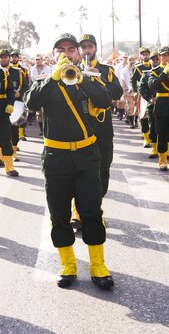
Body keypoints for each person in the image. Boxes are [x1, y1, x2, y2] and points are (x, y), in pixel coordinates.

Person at [25, 33, 114, 290]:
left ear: (78, 53)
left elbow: (105, 100)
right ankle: (68, 264)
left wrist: (83, 78)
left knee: (91, 212)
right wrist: (53, 79)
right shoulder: (45, 81)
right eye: (60, 50)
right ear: (53, 55)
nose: (66, 54)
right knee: (59, 213)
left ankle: (98, 265)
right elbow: (31, 103)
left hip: (86, 155)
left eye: (70, 49)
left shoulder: (88, 78)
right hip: (56, 157)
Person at [73, 34, 123, 230]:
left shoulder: (106, 70)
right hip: (80, 127)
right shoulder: (72, 70)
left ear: (95, 48)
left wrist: (97, 78)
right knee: (80, 171)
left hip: (102, 127)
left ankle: (95, 209)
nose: (86, 50)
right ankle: (76, 212)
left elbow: (117, 92)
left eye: (90, 46)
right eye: (83, 47)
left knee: (102, 170)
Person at [0, 49, 19, 176]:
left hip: (2, 109)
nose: (3, 59)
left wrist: (10, 104)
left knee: (6, 137)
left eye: (5, 57)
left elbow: (10, 91)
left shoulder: (3, 73)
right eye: (1, 57)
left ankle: (9, 167)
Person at [139, 50, 161, 159]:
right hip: (153, 104)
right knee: (153, 126)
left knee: (166, 127)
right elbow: (141, 89)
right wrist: (149, 99)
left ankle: (168, 151)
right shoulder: (146, 74)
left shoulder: (167, 72)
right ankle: (155, 148)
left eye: (157, 58)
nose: (156, 61)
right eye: (153, 59)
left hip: (166, 104)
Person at [132, 47, 153, 147]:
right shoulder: (137, 67)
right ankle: (146, 138)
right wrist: (135, 91)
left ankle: (154, 137)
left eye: (147, 54)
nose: (145, 56)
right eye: (143, 54)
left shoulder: (153, 65)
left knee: (154, 117)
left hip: (153, 94)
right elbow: (132, 80)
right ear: (140, 56)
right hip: (143, 94)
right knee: (143, 116)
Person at [29, 55, 52, 135]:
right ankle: (42, 130)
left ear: (42, 60)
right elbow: (31, 81)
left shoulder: (49, 69)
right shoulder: (32, 69)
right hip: (38, 92)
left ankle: (48, 129)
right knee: (39, 113)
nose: (37, 61)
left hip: (47, 92)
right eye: (36, 59)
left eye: (38, 59)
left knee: (48, 111)